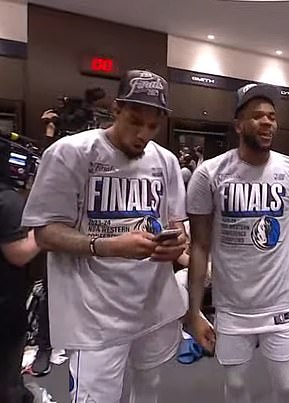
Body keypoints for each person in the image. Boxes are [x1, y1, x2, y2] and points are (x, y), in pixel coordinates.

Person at [21, 69, 188, 403]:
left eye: (153, 126)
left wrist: (176, 244)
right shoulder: (71, 154)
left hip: (151, 305)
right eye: (134, 121)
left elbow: (176, 225)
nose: (143, 134)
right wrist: (109, 246)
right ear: (115, 110)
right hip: (93, 313)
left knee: (149, 391)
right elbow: (45, 232)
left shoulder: (166, 162)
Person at [186, 83, 289, 403]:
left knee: (286, 387)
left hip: (281, 305)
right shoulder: (209, 174)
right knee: (237, 385)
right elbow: (199, 246)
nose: (268, 122)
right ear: (239, 124)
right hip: (232, 307)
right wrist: (194, 310)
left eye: (272, 116)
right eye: (257, 116)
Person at [0, 141, 41, 403]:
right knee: (7, 376)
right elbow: (19, 254)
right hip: (5, 302)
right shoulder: (7, 200)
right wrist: (44, 230)